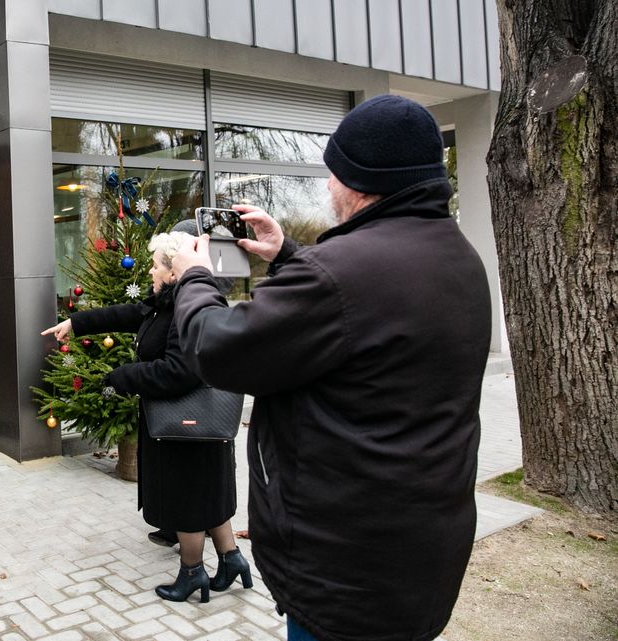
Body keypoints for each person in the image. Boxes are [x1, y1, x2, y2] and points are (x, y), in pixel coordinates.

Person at [170, 95, 492, 640]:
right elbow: (366, 314)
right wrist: (288, 253)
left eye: (334, 174)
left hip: (346, 569)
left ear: (362, 182)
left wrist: (196, 277)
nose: (327, 187)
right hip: (422, 549)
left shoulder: (339, 273)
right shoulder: (458, 257)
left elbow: (215, 348)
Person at [41, 224, 252, 604]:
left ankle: (192, 574)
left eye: (155, 266)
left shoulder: (184, 310)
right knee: (207, 494)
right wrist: (77, 322)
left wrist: (123, 377)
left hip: (185, 424)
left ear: (175, 271)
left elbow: (178, 371)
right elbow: (128, 314)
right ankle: (231, 560)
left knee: (188, 497)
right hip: (198, 424)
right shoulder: (168, 302)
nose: (149, 272)